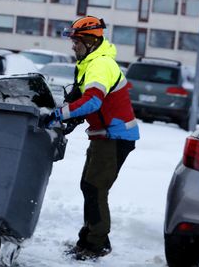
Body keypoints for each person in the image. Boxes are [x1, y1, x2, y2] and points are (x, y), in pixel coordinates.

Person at [44, 15, 139, 261]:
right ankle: (89, 238)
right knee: (90, 186)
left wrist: (60, 115)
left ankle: (95, 245)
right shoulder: (89, 63)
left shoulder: (101, 64)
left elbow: (94, 100)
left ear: (90, 41)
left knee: (96, 188)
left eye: (76, 41)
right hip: (104, 135)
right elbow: (86, 99)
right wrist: (70, 113)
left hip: (114, 136)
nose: (73, 46)